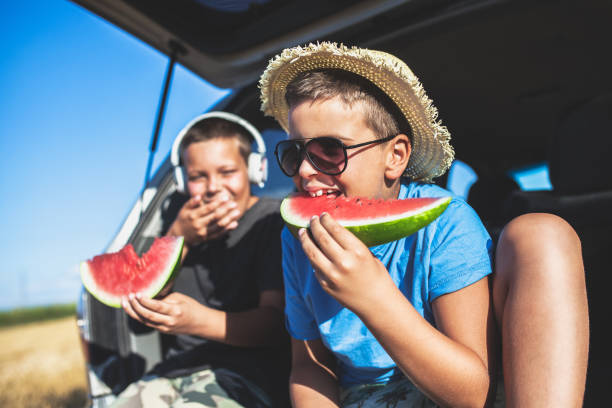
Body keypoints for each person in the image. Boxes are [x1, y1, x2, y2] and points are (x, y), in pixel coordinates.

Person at [258, 42, 588, 407]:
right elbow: (310, 366)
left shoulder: (445, 223)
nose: (305, 170)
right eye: (293, 153)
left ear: (395, 156)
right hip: (361, 398)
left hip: (442, 391)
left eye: (330, 151)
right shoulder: (297, 239)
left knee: (541, 230)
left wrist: (374, 298)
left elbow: (472, 394)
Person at [113, 112, 290, 408]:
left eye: (227, 172)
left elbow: (275, 325)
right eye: (198, 177)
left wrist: (198, 321)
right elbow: (141, 299)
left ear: (254, 170)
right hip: (173, 372)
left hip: (247, 377)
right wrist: (178, 238)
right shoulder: (177, 225)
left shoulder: (270, 221)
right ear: (183, 180)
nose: (213, 187)